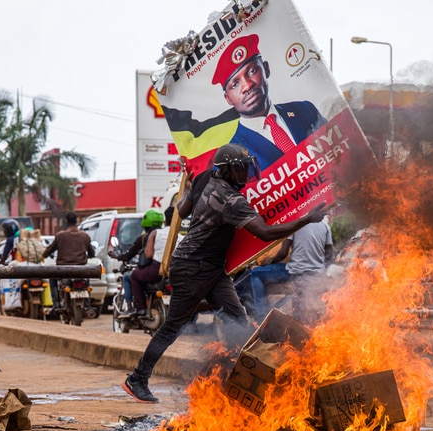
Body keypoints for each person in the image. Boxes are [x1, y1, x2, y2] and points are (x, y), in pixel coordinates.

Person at [122, 143, 328, 404]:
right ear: (226, 170)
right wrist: (305, 219)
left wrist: (188, 189)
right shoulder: (231, 200)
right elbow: (265, 233)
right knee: (174, 326)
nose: (244, 175)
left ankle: (233, 380)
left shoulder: (204, 177)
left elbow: (182, 211)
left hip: (213, 269)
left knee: (239, 321)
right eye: (239, 170)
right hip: (191, 267)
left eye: (246, 168)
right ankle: (137, 378)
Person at [212, 34, 327, 171]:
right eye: (235, 84)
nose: (247, 86)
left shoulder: (305, 110)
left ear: (266, 69)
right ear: (228, 98)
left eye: (252, 71)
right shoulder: (231, 159)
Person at [249, 219, 334, 321]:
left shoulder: (295, 224)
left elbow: (282, 254)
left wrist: (270, 261)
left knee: (255, 272)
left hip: (295, 271)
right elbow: (329, 254)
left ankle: (262, 316)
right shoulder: (325, 226)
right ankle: (300, 322)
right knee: (298, 295)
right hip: (315, 274)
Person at [109, 209, 163, 315]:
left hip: (152, 270)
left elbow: (129, 255)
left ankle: (136, 307)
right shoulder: (164, 235)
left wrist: (117, 256)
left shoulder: (144, 238)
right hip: (166, 271)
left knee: (130, 276)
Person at [42, 211, 95, 308]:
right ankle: (87, 304)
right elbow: (91, 252)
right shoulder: (85, 236)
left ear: (66, 221)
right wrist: (90, 256)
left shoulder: (60, 236)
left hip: (63, 269)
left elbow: (50, 249)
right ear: (77, 221)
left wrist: (44, 255)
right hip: (80, 269)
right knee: (86, 281)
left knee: (52, 278)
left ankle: (57, 304)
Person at [128, 207, 172, 317]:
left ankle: (140, 308)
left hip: (157, 271)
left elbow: (148, 255)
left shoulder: (156, 233)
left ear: (165, 221)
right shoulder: (182, 236)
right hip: (177, 271)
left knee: (134, 275)